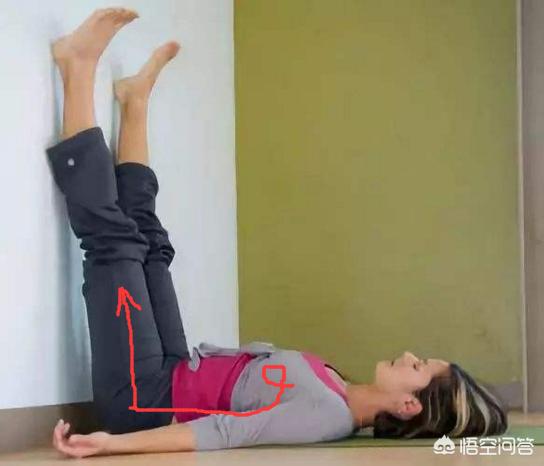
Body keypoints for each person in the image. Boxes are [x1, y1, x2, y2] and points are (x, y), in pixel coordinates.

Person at [48, 8, 508, 459]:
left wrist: (112, 444)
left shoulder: (328, 418)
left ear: (409, 405)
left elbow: (224, 432)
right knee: (152, 248)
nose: (408, 355)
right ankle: (135, 103)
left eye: (419, 366)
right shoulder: (336, 385)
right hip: (172, 373)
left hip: (143, 402)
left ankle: (77, 66)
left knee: (115, 246)